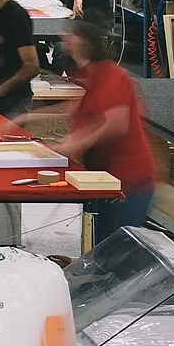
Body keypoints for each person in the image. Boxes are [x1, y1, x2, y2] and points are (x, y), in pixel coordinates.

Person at [22, 21, 155, 243]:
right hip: (101, 178)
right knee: (99, 245)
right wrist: (26, 117)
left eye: (70, 34)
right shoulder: (88, 74)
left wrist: (73, 145)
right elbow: (77, 109)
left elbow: (116, 123)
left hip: (127, 183)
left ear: (83, 42)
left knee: (116, 251)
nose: (64, 36)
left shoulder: (113, 77)